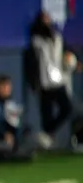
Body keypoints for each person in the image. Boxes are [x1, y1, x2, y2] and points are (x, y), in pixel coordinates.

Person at [29, 11, 75, 150]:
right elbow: (32, 63)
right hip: (44, 83)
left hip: (58, 81)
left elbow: (67, 54)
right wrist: (34, 82)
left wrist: (71, 61)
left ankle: (48, 134)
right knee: (46, 115)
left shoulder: (58, 38)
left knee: (67, 108)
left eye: (48, 18)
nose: (47, 22)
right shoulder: (36, 41)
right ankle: (47, 140)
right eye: (44, 19)